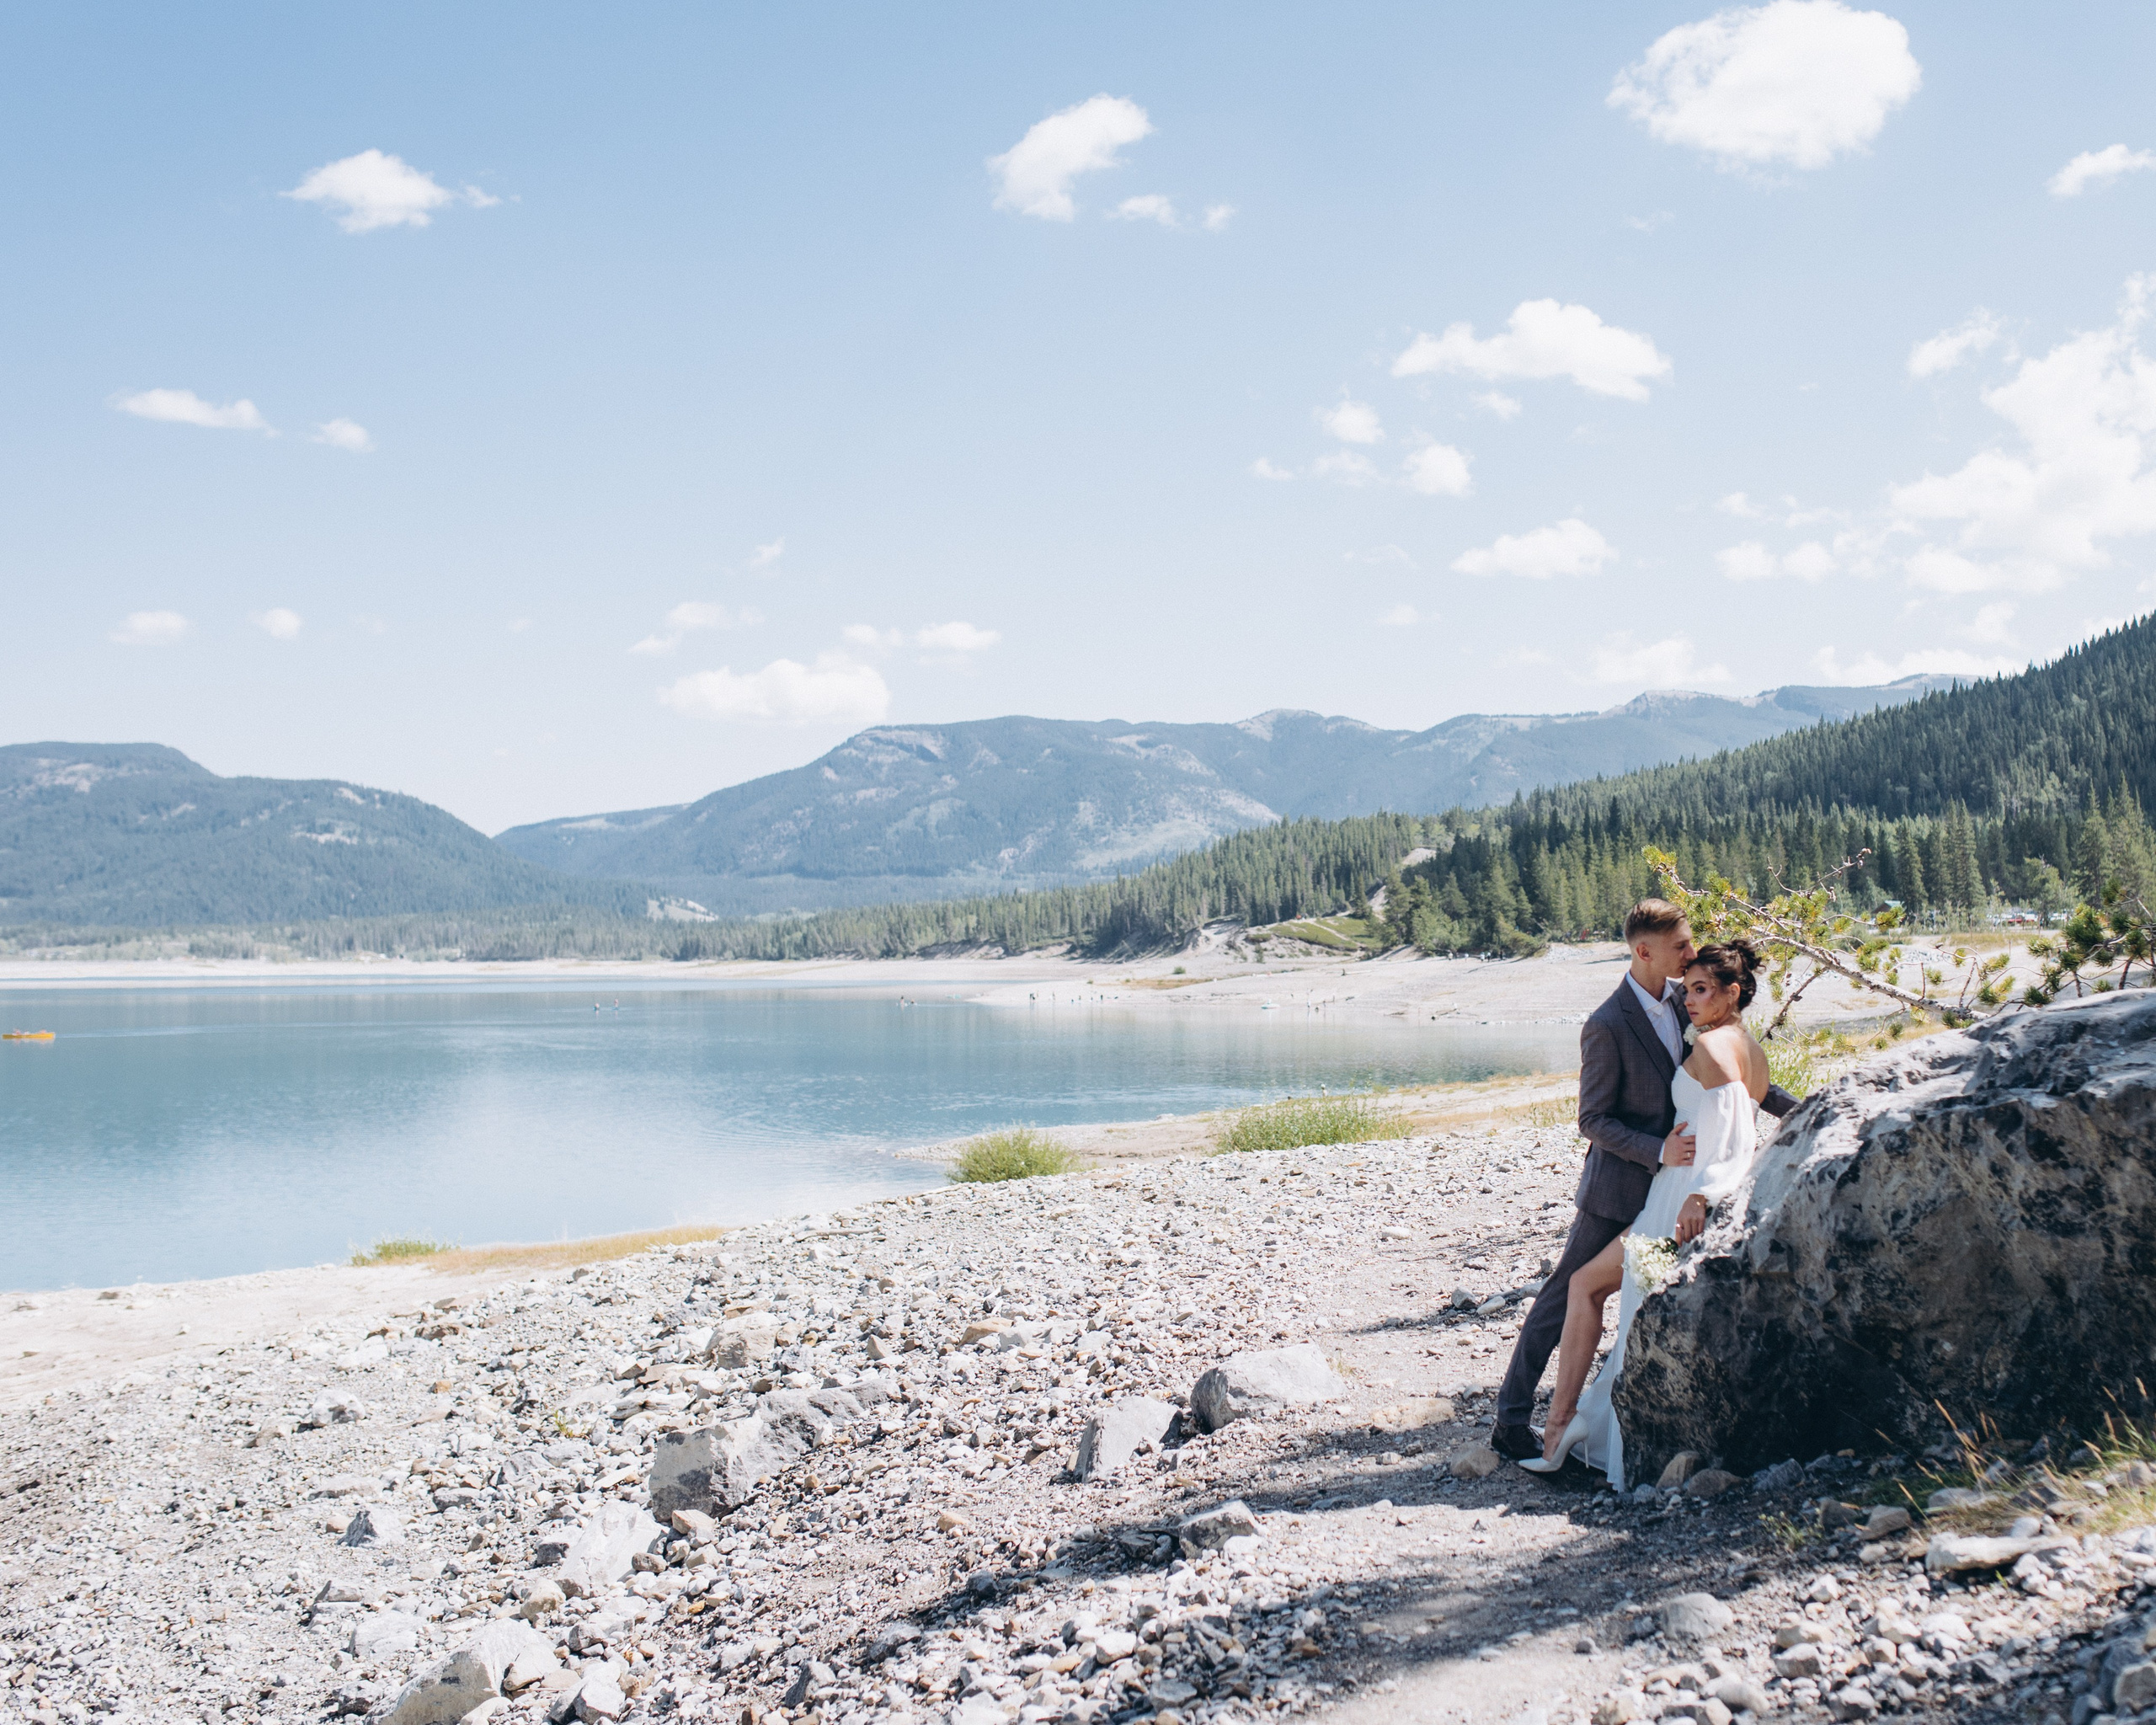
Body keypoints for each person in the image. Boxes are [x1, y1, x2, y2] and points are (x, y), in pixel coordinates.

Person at [1489, 901, 1799, 1464]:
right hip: (1621, 1191)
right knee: (1566, 1294)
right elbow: (1593, 1119)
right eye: (1681, 945)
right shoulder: (1607, 1024)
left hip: (1676, 1192)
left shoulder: (1690, 1006)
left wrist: (1805, 1111)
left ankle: (1614, 1423)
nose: (1690, 953)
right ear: (1645, 951)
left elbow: (1731, 1083)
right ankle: (1511, 1421)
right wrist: (1658, 1149)